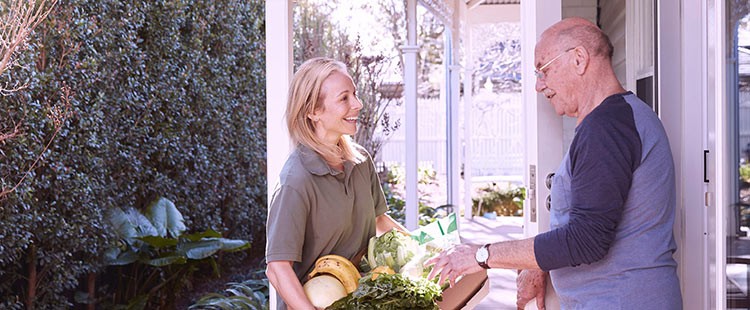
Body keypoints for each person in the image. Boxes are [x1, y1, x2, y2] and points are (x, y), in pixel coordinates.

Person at [426, 17, 682, 309]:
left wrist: (481, 255)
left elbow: (587, 239)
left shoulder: (607, 128)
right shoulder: (618, 118)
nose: (538, 85)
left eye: (543, 70)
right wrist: (539, 263)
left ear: (579, 59)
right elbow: (589, 219)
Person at [265, 57, 405, 310]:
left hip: (362, 299)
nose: (358, 104)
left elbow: (380, 221)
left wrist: (426, 252)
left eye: (355, 94)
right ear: (313, 111)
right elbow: (277, 268)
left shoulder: (361, 162)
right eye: (344, 98)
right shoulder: (296, 181)